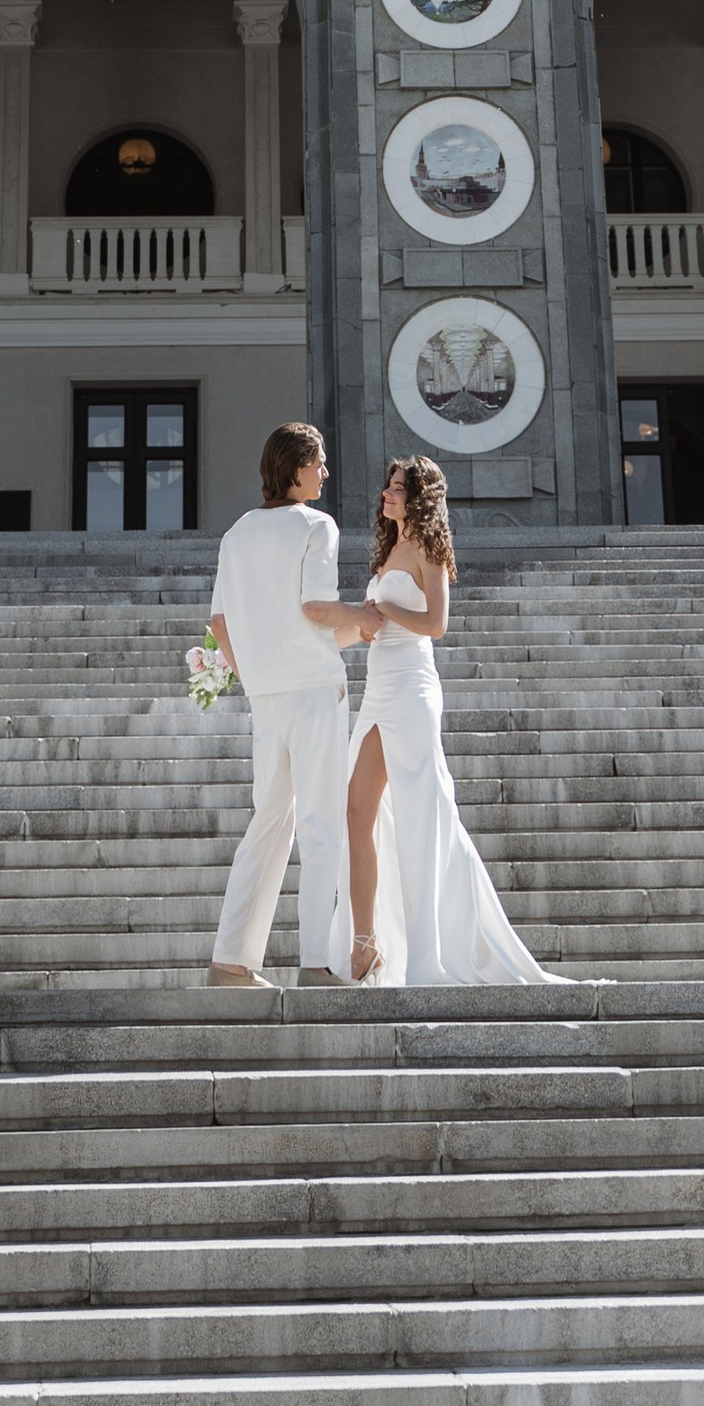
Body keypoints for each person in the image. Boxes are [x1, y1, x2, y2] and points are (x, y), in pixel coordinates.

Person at [345, 452, 559, 988]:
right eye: (388, 486)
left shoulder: (430, 551)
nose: (387, 494)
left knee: (424, 818)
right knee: (356, 813)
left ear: (418, 496)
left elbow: (436, 624)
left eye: (397, 488)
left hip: (414, 692)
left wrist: (384, 613)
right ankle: (365, 942)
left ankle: (433, 948)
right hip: (377, 690)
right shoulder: (389, 547)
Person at [204, 420, 369, 987]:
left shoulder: (236, 534)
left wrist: (253, 673)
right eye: (319, 461)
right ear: (296, 467)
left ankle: (230, 959)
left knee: (269, 822)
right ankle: (317, 963)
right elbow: (319, 607)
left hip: (267, 697)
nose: (325, 472)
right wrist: (365, 617)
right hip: (315, 692)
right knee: (322, 825)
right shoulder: (316, 525)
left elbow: (219, 621)